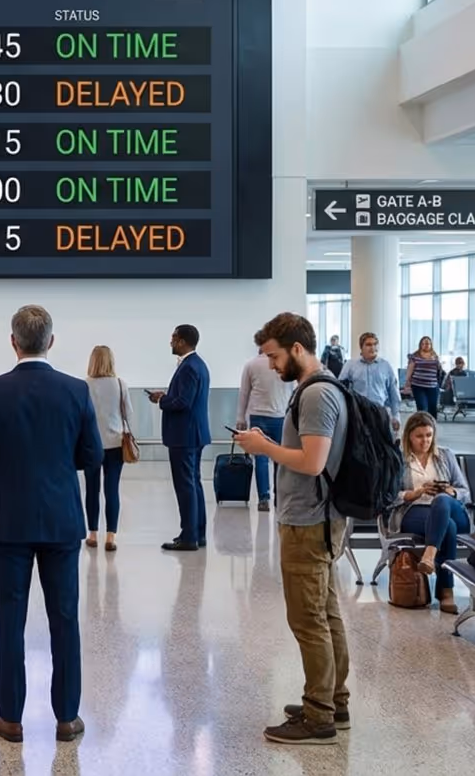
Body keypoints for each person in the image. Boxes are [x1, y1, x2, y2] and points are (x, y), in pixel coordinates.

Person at [0, 305, 102, 744]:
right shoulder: (76, 391)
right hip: (62, 520)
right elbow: (92, 455)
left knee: (10, 619)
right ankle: (66, 717)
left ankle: (11, 717)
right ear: (51, 342)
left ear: (13, 342)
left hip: (10, 522)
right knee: (65, 618)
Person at [233, 312, 350, 745]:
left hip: (308, 520)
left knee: (308, 620)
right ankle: (333, 700)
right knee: (326, 613)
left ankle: (319, 715)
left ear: (297, 349)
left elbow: (313, 462)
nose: (271, 365)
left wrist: (265, 447)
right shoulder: (320, 388)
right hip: (318, 517)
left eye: (275, 356)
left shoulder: (317, 395)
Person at [388, 412, 471, 614]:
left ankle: (429, 554)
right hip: (415, 510)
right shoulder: (399, 459)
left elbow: (464, 492)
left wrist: (449, 491)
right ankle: (446, 592)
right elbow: (388, 496)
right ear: (409, 436)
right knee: (448, 527)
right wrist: (416, 493)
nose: (425, 441)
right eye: (419, 436)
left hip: (449, 508)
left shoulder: (445, 455)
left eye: (429, 435)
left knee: (442, 501)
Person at [149, 324, 210, 551]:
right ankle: (197, 533)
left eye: (173, 337)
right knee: (193, 484)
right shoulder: (197, 365)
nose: (171, 342)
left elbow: (183, 402)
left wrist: (161, 401)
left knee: (186, 486)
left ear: (183, 341)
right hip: (193, 433)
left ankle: (189, 537)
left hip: (184, 436)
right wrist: (166, 396)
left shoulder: (189, 368)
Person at [237, 330, 294, 512]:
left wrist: (240, 418)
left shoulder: (251, 364)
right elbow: (294, 391)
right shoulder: (286, 363)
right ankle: (280, 497)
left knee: (260, 459)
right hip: (281, 416)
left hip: (258, 416)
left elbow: (244, 393)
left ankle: (263, 498)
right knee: (280, 458)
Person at [83, 344, 133, 549]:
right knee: (112, 489)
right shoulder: (120, 384)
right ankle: (111, 536)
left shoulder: (84, 385)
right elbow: (128, 415)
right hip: (115, 443)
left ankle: (92, 534)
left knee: (91, 489)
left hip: (91, 444)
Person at [338, 331, 399, 430]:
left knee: (380, 444)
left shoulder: (385, 366)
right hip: (358, 412)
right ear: (361, 347)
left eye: (375, 344)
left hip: (379, 411)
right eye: (368, 344)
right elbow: (340, 388)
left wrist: (396, 416)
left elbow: (393, 392)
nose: (373, 347)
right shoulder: (350, 365)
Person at [404, 336, 446, 418]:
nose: (425, 345)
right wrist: (407, 383)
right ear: (420, 345)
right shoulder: (415, 356)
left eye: (427, 343)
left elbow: (439, 370)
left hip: (433, 386)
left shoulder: (435, 356)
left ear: (431, 345)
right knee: (422, 408)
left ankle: (432, 427)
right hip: (418, 386)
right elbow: (410, 370)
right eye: (423, 343)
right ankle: (422, 427)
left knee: (433, 409)